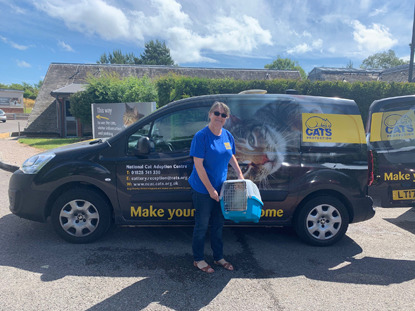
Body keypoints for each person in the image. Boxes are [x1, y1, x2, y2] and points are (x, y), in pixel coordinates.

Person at [188, 101, 244, 273]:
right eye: (217, 113)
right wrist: (211, 190)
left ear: (226, 118)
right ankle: (198, 259)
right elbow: (199, 166)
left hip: (222, 188)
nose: (220, 117)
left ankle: (218, 257)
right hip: (203, 189)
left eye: (223, 115)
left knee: (218, 225)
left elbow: (230, 156)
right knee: (202, 225)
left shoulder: (227, 136)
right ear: (210, 114)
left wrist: (240, 175)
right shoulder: (201, 136)